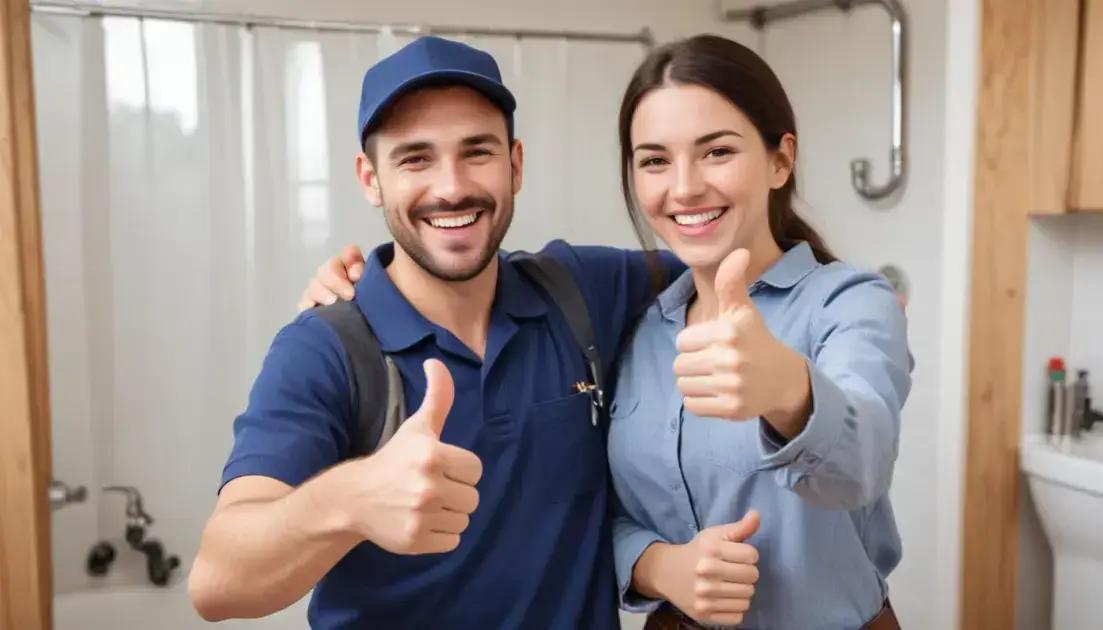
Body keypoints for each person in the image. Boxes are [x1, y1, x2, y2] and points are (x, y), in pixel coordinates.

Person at [305, 35, 912, 630]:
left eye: (717, 151)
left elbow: (862, 464)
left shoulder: (848, 303)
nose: (684, 186)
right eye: (654, 160)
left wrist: (788, 388)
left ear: (780, 159)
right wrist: (657, 565)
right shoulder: (636, 319)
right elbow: (605, 508)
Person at [188, 36, 685, 629]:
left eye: (477, 152)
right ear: (370, 180)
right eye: (415, 158)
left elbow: (737, 263)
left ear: (515, 165)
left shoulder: (579, 289)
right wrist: (350, 500)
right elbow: (217, 585)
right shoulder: (325, 350)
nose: (451, 187)